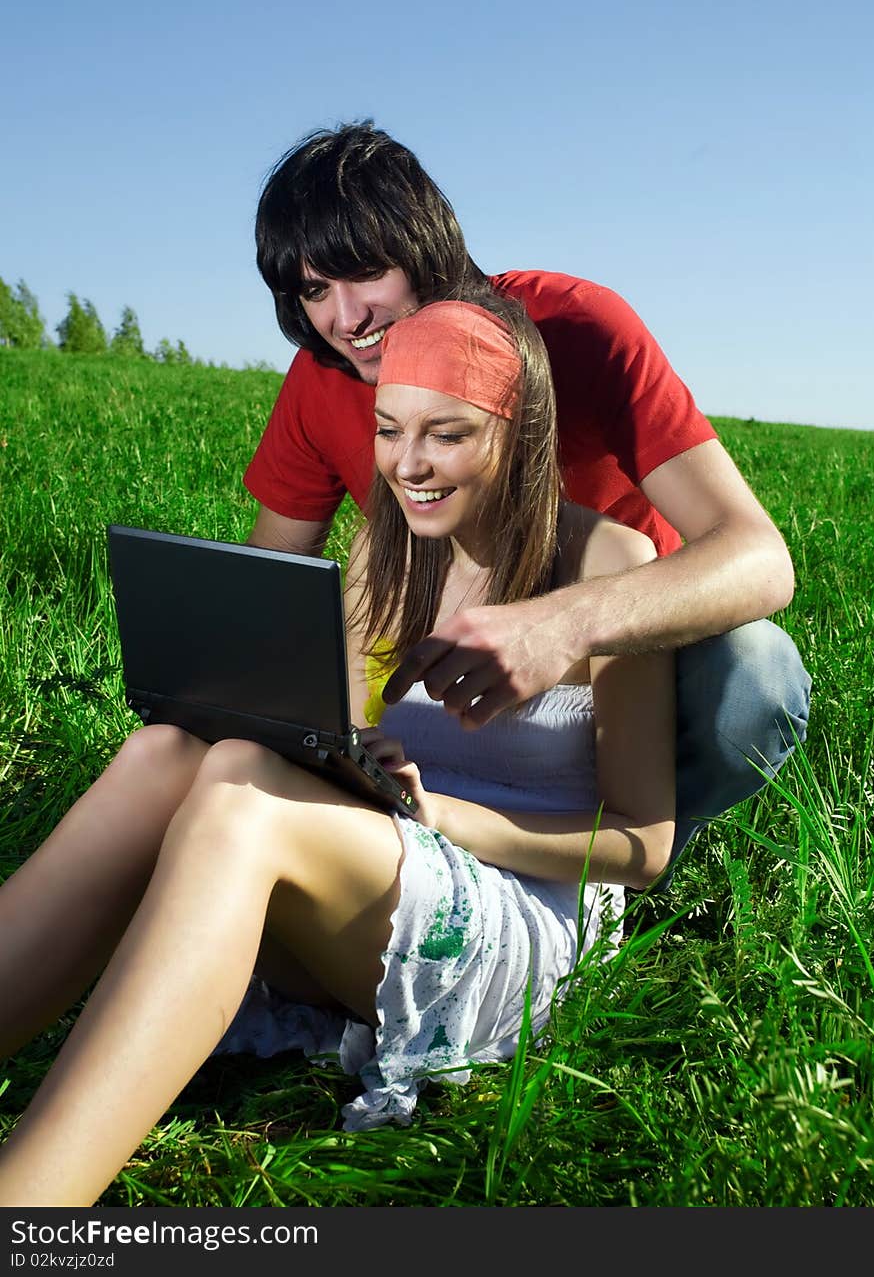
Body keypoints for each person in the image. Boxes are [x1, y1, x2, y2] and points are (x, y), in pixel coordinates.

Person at [0, 294, 673, 1207]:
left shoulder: (614, 570)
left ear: (519, 433)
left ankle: (30, 1202)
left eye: (447, 435)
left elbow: (643, 848)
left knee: (238, 796)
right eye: (390, 430)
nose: (408, 465)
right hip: (385, 856)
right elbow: (339, 730)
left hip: (523, 906)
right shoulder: (388, 551)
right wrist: (350, 756)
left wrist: (449, 816)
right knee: (169, 751)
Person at [245, 121, 811, 866]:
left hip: (623, 665)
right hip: (449, 689)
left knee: (755, 676)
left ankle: (626, 870)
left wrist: (563, 626)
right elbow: (268, 593)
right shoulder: (323, 381)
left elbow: (760, 558)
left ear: (426, 248)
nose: (347, 319)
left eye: (365, 272)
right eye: (316, 290)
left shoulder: (579, 326)